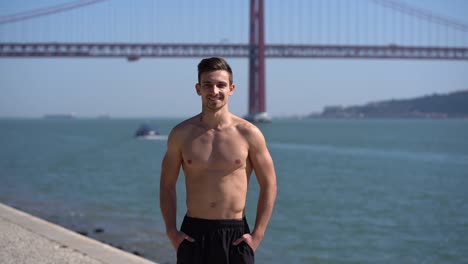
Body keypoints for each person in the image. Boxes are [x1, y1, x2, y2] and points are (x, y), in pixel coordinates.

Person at [159, 57, 277, 264]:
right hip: (193, 234)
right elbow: (167, 185)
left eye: (221, 85)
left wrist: (257, 235)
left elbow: (269, 185)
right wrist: (172, 231)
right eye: (208, 85)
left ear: (231, 89)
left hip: (235, 236)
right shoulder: (181, 134)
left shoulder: (249, 133)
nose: (214, 91)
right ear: (198, 89)